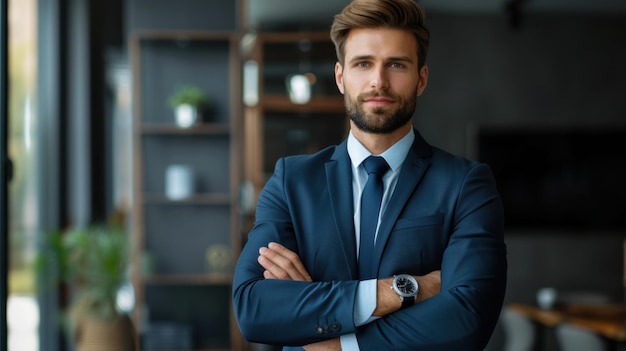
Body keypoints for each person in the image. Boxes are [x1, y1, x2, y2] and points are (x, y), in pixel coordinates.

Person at [232, 0, 507, 350]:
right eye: (363, 63)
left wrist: (338, 345)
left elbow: (468, 318)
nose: (379, 81)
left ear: (421, 78)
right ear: (340, 77)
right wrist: (405, 289)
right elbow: (254, 308)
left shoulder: (466, 184)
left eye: (396, 64)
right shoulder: (292, 182)